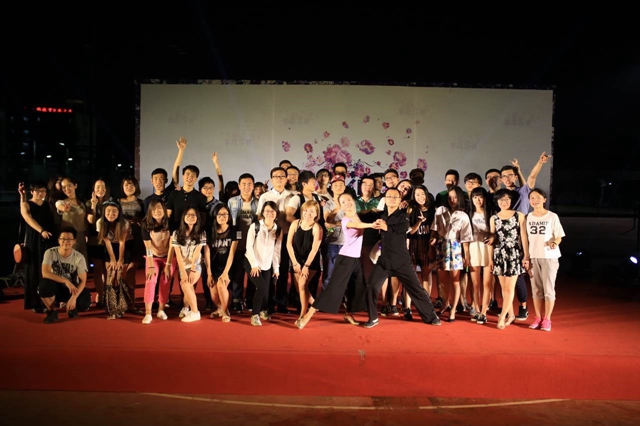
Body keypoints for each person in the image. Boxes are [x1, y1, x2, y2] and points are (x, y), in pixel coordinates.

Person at [363, 188, 441, 328]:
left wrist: (386, 227)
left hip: (401, 261)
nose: (392, 199)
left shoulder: (403, 217)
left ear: (400, 200)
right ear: (385, 199)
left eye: (395, 197)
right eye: (389, 197)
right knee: (371, 286)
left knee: (416, 289)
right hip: (384, 261)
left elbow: (402, 230)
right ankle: (373, 317)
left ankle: (431, 316)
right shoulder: (382, 215)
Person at [296, 192, 373, 329]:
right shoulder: (346, 220)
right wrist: (372, 225)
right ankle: (307, 316)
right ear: (341, 206)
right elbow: (356, 225)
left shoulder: (356, 215)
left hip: (355, 259)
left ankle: (349, 314)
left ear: (353, 200)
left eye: (348, 200)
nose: (347, 203)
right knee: (333, 288)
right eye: (343, 202)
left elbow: (358, 219)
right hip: (345, 258)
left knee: (358, 287)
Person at [500, 152, 551, 321]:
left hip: (520, 238)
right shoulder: (500, 196)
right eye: (504, 176)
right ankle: (507, 308)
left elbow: (532, 177)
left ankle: (523, 306)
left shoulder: (523, 192)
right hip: (503, 240)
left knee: (519, 274)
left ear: (515, 176)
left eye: (510, 175)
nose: (507, 178)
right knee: (504, 274)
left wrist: (540, 162)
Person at [429, 186, 473, 322]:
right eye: (450, 197)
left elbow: (465, 238)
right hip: (441, 246)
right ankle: (445, 302)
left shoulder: (463, 215)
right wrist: (432, 242)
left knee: (455, 280)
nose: (452, 200)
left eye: (455, 197)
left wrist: (466, 256)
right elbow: (434, 229)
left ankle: (453, 308)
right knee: (442, 280)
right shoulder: (440, 210)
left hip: (455, 247)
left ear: (459, 198)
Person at [488, 189, 530, 330]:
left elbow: (523, 237)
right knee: (503, 288)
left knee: (510, 287)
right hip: (499, 254)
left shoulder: (519, 215)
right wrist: (491, 259)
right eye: (501, 200)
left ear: (511, 200)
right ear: (497, 201)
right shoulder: (494, 218)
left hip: (514, 253)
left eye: (507, 199)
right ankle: (511, 315)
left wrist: (526, 255)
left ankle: (502, 317)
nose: (504, 202)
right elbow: (492, 239)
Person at [526, 188, 565, 332]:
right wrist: (526, 257)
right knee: (536, 289)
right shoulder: (528, 217)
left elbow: (559, 236)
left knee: (548, 289)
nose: (535, 200)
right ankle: (537, 317)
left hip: (549, 257)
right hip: (533, 256)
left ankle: (547, 319)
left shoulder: (552, 216)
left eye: (538, 197)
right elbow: (525, 239)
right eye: (532, 198)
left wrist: (554, 242)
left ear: (544, 199)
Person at [256, 166, 294, 314]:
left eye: (281, 176)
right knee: (269, 271)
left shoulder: (292, 196)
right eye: (276, 177)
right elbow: (259, 216)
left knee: (283, 271)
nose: (279, 179)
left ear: (286, 179)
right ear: (271, 179)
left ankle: (282, 303)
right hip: (269, 238)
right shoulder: (265, 196)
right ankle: (269, 304)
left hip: (286, 237)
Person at [39, 227, 92, 324]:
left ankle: (71, 307)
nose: (66, 241)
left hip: (71, 289)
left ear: (74, 241)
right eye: (63, 239)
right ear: (58, 240)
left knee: (84, 303)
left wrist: (74, 298)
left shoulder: (79, 257)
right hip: (55, 287)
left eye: (69, 239)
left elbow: (83, 280)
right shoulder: (50, 253)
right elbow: (45, 273)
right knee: (43, 286)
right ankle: (52, 311)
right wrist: (65, 281)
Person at [19, 181, 55, 312]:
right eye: (38, 191)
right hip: (34, 240)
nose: (41, 193)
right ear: (32, 192)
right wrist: (41, 231)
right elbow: (28, 219)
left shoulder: (47, 204)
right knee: (34, 269)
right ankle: (35, 303)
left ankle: (48, 299)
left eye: (43, 191)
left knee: (48, 269)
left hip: (48, 238)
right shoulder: (26, 204)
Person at [245, 201, 283, 326]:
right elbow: (249, 247)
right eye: (267, 211)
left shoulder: (278, 230)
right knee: (261, 287)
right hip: (252, 262)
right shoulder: (255, 226)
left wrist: (276, 269)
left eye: (272, 211)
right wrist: (254, 265)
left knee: (266, 291)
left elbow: (276, 251)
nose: (270, 213)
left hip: (266, 264)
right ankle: (255, 315)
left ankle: (262, 310)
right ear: (262, 213)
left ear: (276, 214)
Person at [97, 199, 137, 319]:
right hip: (110, 249)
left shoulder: (124, 223)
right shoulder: (100, 222)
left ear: (119, 212)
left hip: (124, 247)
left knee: (120, 276)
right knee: (110, 275)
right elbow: (107, 242)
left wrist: (120, 260)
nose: (111, 214)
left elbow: (122, 243)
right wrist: (112, 259)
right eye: (108, 211)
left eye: (114, 211)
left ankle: (124, 305)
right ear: (104, 212)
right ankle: (111, 309)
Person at [286, 200, 323, 320]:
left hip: (310, 262)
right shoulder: (295, 223)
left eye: (311, 211)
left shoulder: (317, 228)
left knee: (302, 285)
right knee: (300, 288)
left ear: (316, 214)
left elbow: (314, 250)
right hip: (296, 260)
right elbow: (289, 244)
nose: (308, 214)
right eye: (305, 211)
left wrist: (306, 266)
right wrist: (295, 263)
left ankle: (303, 314)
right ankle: (315, 304)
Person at [227, 173, 258, 313]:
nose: (246, 187)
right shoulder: (232, 202)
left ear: (253, 186)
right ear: (239, 186)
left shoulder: (258, 202)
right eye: (243, 184)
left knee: (252, 274)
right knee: (237, 274)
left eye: (249, 184)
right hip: (237, 244)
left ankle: (250, 299)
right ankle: (237, 300)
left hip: (253, 246)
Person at [405, 184, 435, 321]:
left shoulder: (432, 210)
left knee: (426, 276)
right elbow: (410, 231)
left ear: (427, 195)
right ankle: (407, 308)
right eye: (417, 194)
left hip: (426, 245)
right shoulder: (411, 209)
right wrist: (418, 222)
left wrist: (433, 240)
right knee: (410, 277)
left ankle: (426, 305)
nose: (420, 197)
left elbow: (435, 228)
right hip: (412, 245)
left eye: (422, 194)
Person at [141, 200, 174, 324]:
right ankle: (148, 313)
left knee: (165, 281)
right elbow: (148, 247)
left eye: (159, 208)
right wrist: (150, 266)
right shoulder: (145, 224)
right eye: (154, 209)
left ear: (164, 209)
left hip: (168, 256)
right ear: (150, 211)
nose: (157, 211)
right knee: (150, 280)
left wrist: (168, 264)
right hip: (153, 257)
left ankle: (161, 310)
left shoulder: (171, 223)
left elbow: (172, 245)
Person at [172, 207, 207, 323]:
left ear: (197, 218)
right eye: (188, 215)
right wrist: (183, 272)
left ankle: (195, 312)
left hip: (195, 266)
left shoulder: (201, 233)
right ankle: (187, 308)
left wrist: (192, 270)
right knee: (187, 286)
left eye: (193, 215)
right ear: (183, 217)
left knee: (186, 285)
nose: (190, 217)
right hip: (183, 266)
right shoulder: (176, 233)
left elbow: (197, 253)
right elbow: (178, 255)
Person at [204, 204, 238, 323]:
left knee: (221, 284)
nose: (222, 217)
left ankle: (225, 311)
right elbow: (207, 253)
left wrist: (225, 273)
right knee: (213, 290)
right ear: (215, 216)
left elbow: (232, 253)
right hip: (214, 266)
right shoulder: (209, 231)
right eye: (219, 214)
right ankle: (219, 308)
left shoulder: (234, 230)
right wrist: (209, 273)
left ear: (229, 216)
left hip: (228, 266)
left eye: (225, 214)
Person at [467, 187, 494, 325]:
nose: (478, 200)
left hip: (487, 248)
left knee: (487, 283)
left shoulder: (491, 214)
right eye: (475, 197)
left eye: (480, 197)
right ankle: (477, 310)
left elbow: (495, 233)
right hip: (473, 247)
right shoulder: (469, 213)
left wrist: (492, 237)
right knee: (475, 283)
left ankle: (484, 312)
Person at [119, 176, 146, 304]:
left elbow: (146, 220)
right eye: (126, 185)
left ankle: (130, 299)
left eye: (131, 185)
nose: (129, 187)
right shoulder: (118, 202)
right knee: (122, 270)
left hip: (137, 238)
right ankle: (122, 298)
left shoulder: (142, 203)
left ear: (136, 187)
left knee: (132, 270)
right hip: (122, 239)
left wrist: (138, 222)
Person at [142, 136, 186, 211]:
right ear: (151, 181)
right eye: (155, 179)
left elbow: (176, 168)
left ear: (166, 180)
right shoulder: (147, 201)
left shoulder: (170, 192)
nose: (158, 182)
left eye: (161, 179)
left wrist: (181, 151)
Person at [86, 179, 110, 307]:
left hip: (108, 239)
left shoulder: (110, 202)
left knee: (107, 269)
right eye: (98, 187)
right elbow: (91, 220)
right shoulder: (88, 203)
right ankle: (100, 295)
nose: (101, 189)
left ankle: (106, 294)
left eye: (103, 187)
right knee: (98, 268)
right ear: (93, 190)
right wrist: (93, 206)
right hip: (94, 239)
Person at [55, 177, 88, 267]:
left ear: (75, 185)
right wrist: (64, 208)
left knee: (82, 266)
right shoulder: (62, 202)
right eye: (64, 187)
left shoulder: (82, 203)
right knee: (70, 266)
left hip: (81, 236)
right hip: (68, 238)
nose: (67, 189)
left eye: (69, 185)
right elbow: (59, 205)